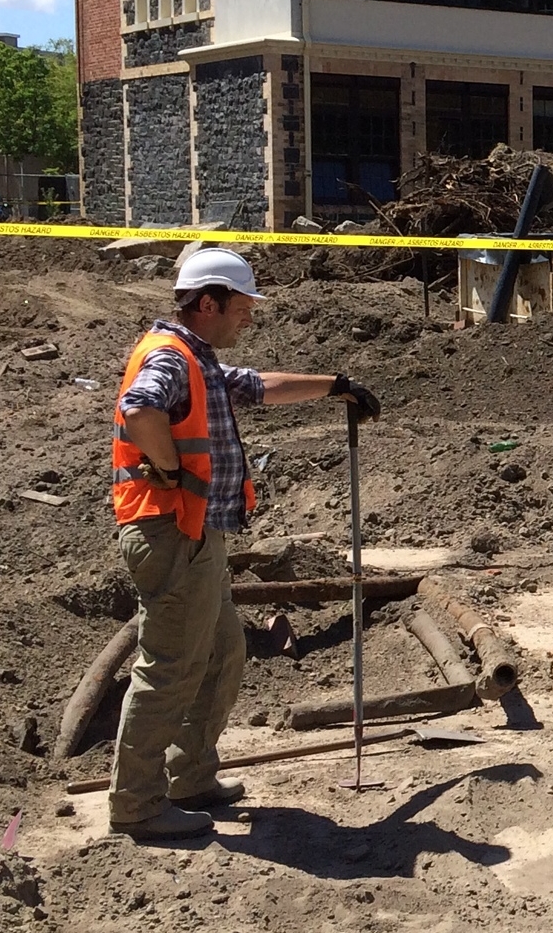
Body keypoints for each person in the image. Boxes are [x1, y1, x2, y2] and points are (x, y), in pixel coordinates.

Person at [109, 248, 380, 840]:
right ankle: (137, 804)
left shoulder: (197, 361)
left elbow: (259, 387)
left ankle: (191, 776)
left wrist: (337, 385)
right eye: (241, 307)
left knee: (224, 654)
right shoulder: (169, 357)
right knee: (169, 669)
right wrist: (169, 467)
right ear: (208, 303)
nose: (248, 318)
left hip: (194, 535)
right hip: (169, 531)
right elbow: (138, 410)